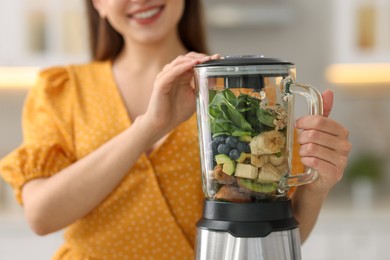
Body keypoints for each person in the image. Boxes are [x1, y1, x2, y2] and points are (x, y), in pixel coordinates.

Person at [0, 0, 351, 259]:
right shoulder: (62, 89)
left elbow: (265, 238)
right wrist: (150, 127)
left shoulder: (238, 91)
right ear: (97, 5)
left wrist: (317, 189)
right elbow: (41, 215)